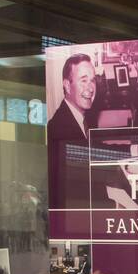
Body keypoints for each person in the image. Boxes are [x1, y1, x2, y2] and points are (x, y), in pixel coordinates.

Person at [48, 54, 96, 205]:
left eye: (92, 80)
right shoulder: (60, 127)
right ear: (67, 86)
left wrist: (136, 150)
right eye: (83, 80)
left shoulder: (79, 117)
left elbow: (94, 150)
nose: (90, 88)